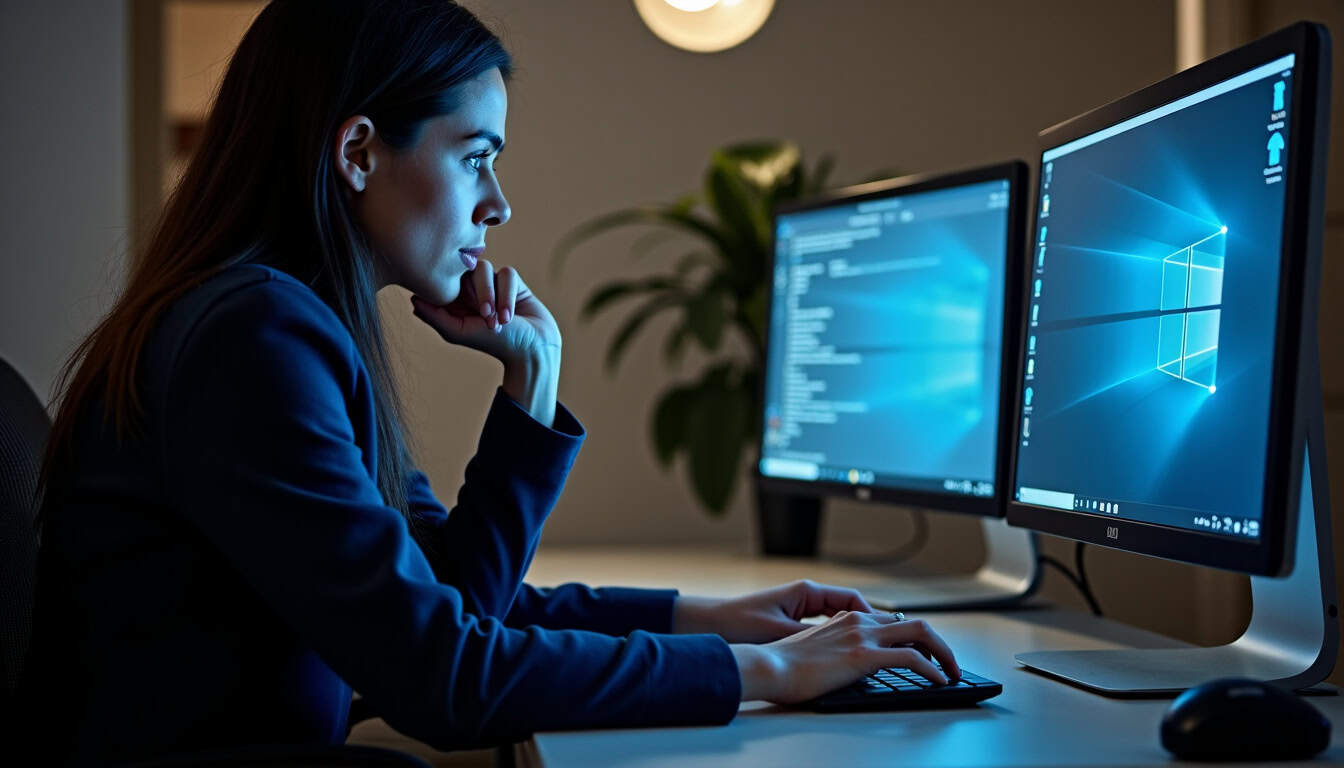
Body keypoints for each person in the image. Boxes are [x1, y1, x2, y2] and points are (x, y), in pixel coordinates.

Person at [20, 0, 959, 763]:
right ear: (356, 154)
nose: (497, 203)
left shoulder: (274, 320)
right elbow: (442, 678)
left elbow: (443, 601)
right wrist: (766, 673)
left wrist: (712, 619)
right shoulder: (253, 337)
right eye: (477, 158)